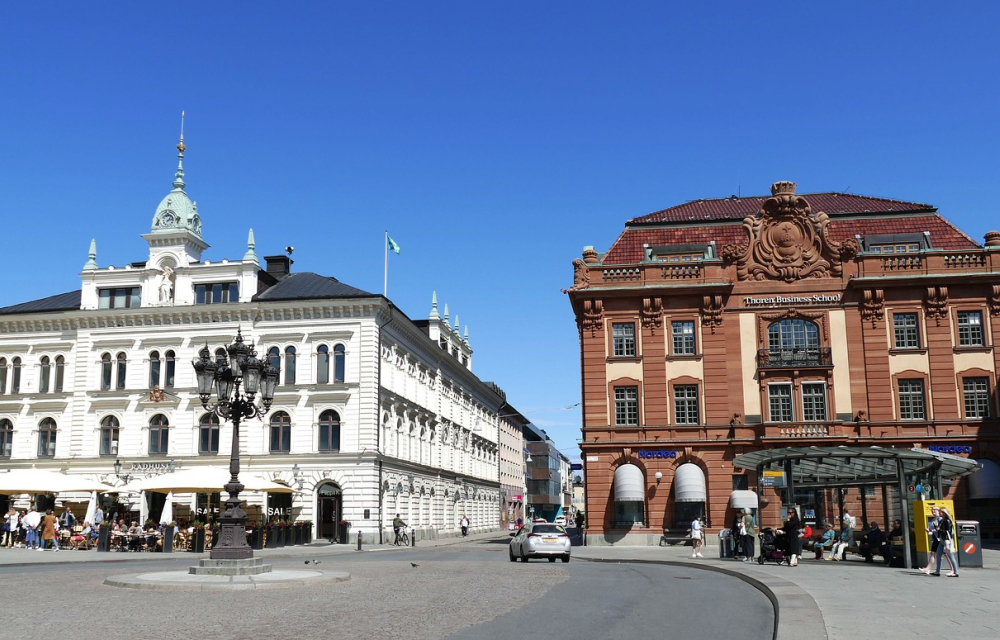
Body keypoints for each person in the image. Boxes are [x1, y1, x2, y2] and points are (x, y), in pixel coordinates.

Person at [930, 506, 959, 577]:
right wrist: (936, 527)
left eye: (941, 512)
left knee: (951, 556)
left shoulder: (947, 521)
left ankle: (956, 572)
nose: (939, 513)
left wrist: (939, 529)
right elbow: (938, 528)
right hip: (942, 540)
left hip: (947, 540)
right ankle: (937, 571)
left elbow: (947, 531)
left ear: (944, 513)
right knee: (938, 556)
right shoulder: (942, 520)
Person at [920, 507, 942, 573]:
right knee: (933, 553)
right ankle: (928, 568)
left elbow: (940, 529)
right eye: (932, 510)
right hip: (935, 538)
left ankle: (953, 569)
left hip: (940, 538)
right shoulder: (933, 519)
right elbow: (932, 528)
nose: (933, 511)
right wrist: (929, 529)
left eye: (934, 510)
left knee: (947, 555)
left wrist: (932, 530)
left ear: (938, 511)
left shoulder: (940, 519)